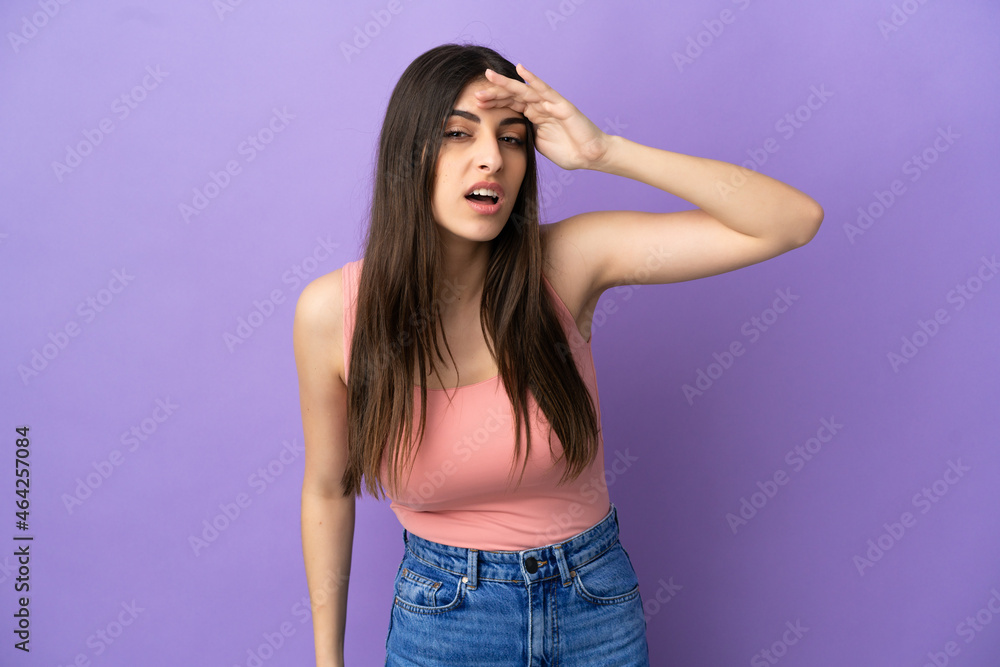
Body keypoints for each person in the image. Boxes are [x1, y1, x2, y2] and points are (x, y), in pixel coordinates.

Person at [294, 43, 823, 667]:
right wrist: (327, 662)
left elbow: (790, 221)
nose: (491, 158)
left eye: (513, 139)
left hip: (593, 603)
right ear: (409, 154)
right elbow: (328, 490)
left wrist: (604, 151)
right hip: (447, 618)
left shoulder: (567, 265)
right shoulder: (334, 312)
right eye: (458, 135)